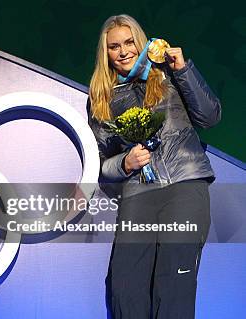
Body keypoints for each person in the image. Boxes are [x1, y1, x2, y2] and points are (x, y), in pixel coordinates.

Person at [87, 14, 222, 319]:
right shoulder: (101, 98)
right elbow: (100, 166)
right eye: (113, 46)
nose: (123, 51)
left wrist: (183, 69)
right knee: (124, 286)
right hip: (139, 194)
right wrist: (124, 163)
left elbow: (210, 118)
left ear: (140, 39)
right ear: (105, 53)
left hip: (185, 186)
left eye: (129, 41)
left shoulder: (168, 75)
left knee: (174, 283)